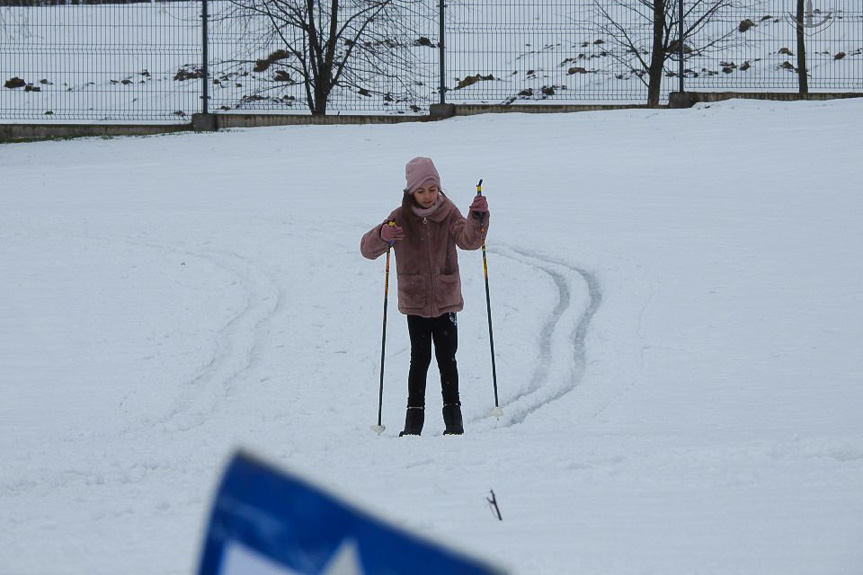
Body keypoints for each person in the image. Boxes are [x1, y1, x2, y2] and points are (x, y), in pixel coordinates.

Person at [361, 157, 489, 436]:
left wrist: (477, 218)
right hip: (416, 302)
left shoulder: (448, 212)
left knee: (447, 359)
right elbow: (367, 249)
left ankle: (454, 421)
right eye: (422, 190)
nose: (428, 196)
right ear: (410, 192)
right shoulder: (400, 217)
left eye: (433, 189)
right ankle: (413, 422)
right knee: (419, 359)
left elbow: (469, 240)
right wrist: (383, 235)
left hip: (445, 299)